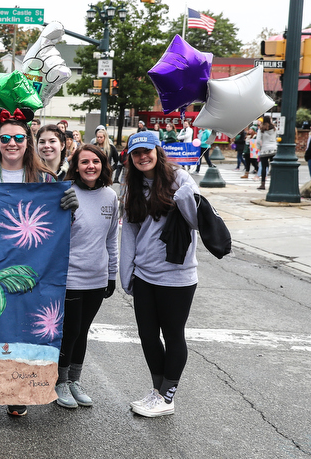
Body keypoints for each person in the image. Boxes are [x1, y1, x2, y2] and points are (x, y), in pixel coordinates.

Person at [0, 107, 79, 417]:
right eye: (6, 138)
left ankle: (19, 390)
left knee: (22, 328)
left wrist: (71, 208)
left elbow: (63, 226)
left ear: (27, 141)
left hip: (31, 268)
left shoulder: (45, 178)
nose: (12, 143)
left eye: (19, 137)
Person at [120, 130, 200, 418]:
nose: (143, 157)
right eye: (137, 153)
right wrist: (126, 273)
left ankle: (168, 396)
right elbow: (129, 233)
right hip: (145, 275)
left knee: (173, 334)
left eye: (147, 151)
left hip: (177, 276)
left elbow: (196, 223)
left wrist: (186, 198)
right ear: (130, 158)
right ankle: (157, 392)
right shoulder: (131, 187)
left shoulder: (181, 179)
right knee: (147, 335)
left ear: (158, 151)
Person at [54, 143, 118, 410]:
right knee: (70, 331)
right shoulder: (67, 192)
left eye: (95, 161)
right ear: (76, 167)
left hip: (97, 277)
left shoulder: (111, 196)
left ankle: (74, 381)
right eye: (84, 162)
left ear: (103, 165)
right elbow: (55, 236)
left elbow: (112, 238)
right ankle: (59, 381)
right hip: (70, 277)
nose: (90, 166)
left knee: (83, 332)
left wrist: (112, 274)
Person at [255, 117, 277, 190]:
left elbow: (258, 140)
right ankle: (274, 184)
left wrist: (259, 148)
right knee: (274, 166)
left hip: (264, 149)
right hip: (274, 149)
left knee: (264, 167)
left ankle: (263, 184)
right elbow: (277, 137)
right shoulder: (274, 128)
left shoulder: (261, 129)